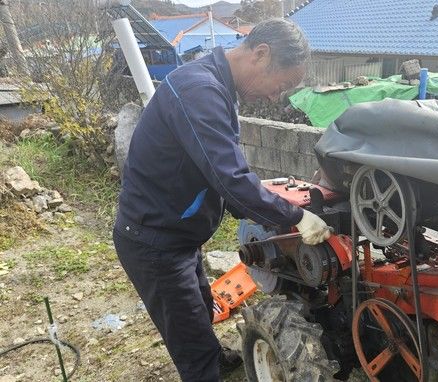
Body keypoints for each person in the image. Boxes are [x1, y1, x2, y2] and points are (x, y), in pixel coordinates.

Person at [112, 19, 330, 382]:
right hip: (154, 240)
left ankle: (214, 358)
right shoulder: (200, 90)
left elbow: (218, 173)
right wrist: (295, 217)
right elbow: (230, 178)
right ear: (261, 55)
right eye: (284, 83)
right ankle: (204, 369)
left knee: (199, 308)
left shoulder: (214, 83)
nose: (278, 95)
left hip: (178, 233)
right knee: (188, 338)